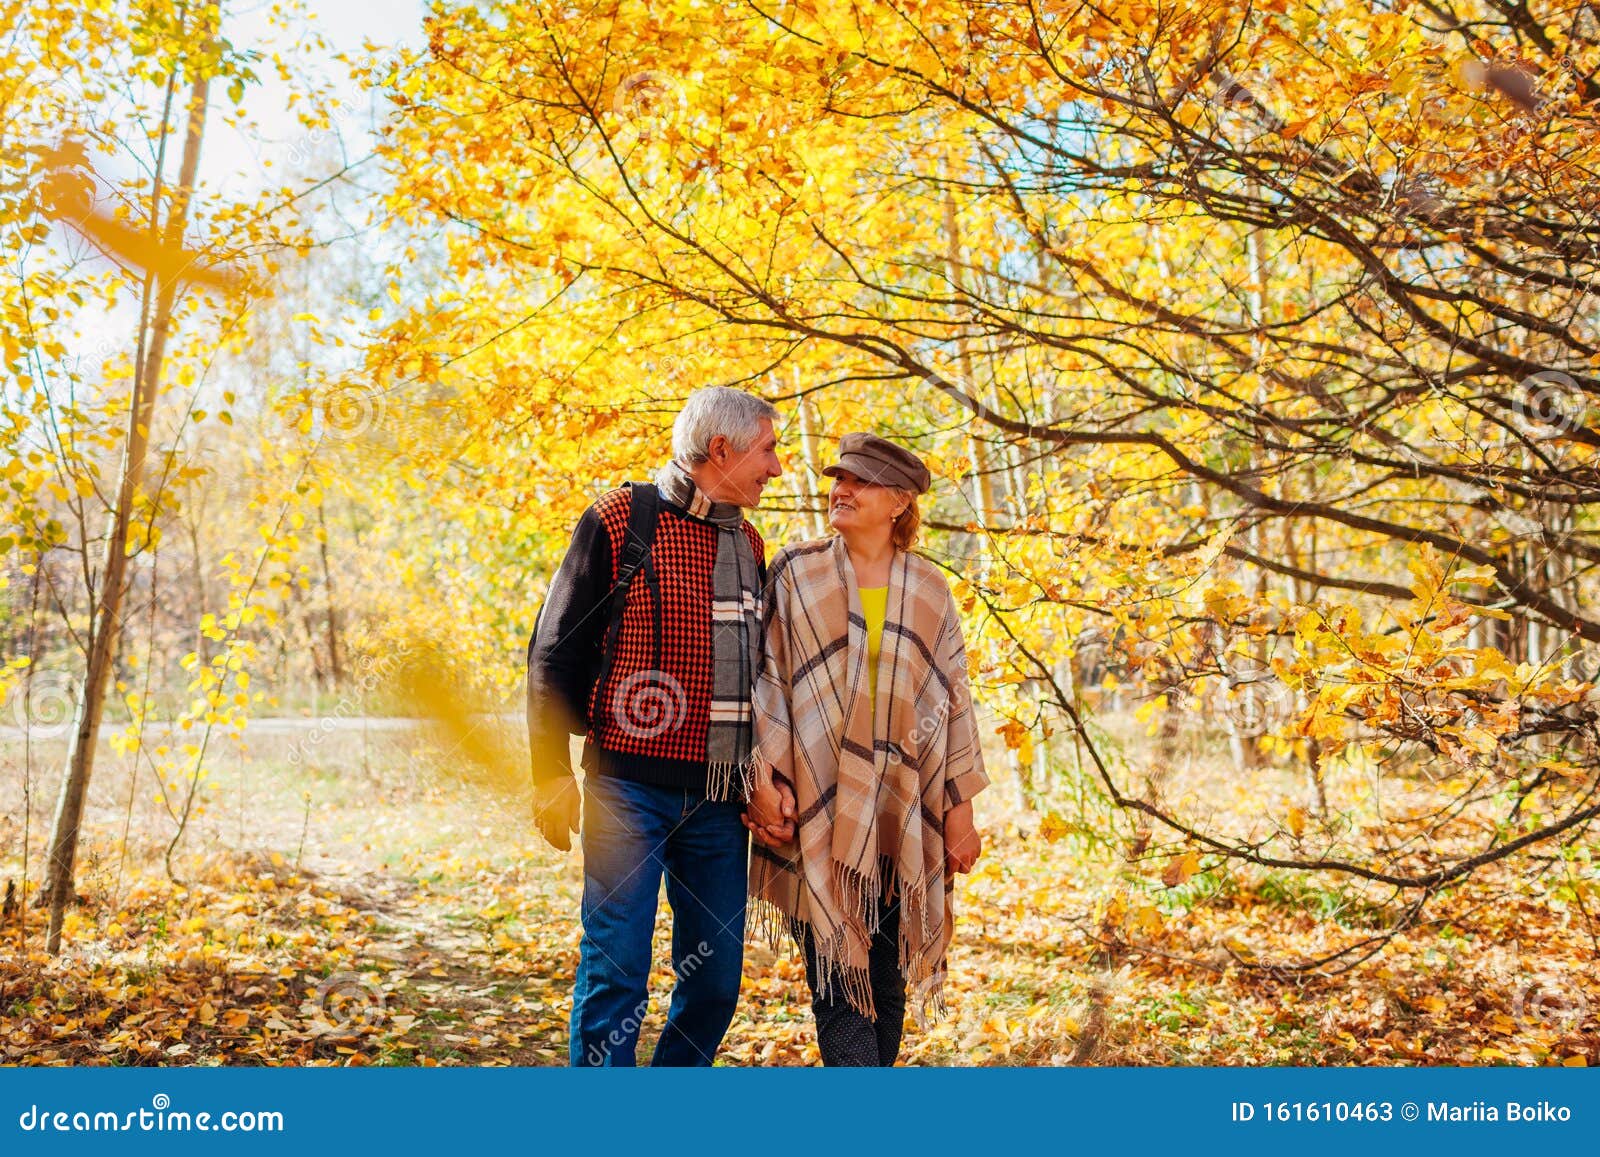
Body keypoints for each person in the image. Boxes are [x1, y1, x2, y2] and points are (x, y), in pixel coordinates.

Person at [526, 386, 793, 1066]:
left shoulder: (749, 540)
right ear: (721, 449)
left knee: (715, 981)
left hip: (717, 805)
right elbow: (553, 649)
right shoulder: (621, 518)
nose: (778, 467)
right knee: (616, 971)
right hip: (627, 791)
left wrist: (762, 778)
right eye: (767, 449)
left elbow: (758, 681)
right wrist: (550, 771)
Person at [743, 431, 988, 1066]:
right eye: (838, 479)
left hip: (901, 808)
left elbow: (952, 704)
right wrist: (765, 781)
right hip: (816, 802)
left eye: (861, 481)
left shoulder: (929, 591)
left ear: (901, 502)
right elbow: (765, 682)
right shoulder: (797, 574)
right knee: (836, 974)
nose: (841, 490)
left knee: (886, 974)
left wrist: (960, 809)